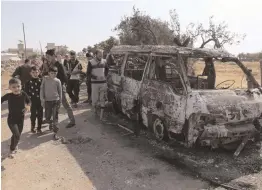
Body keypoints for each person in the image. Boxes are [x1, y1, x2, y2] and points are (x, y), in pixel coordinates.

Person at [43, 49, 76, 128]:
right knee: (51, 106)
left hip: (60, 87)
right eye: (46, 56)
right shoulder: (49, 64)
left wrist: (59, 85)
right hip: (51, 88)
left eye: (48, 56)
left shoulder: (59, 65)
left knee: (66, 104)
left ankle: (72, 121)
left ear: (53, 56)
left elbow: (64, 78)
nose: (47, 58)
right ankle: (51, 123)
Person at [1, 78, 31, 158]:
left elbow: (29, 101)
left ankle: (13, 143)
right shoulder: (9, 96)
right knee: (17, 135)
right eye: (13, 87)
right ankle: (11, 150)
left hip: (20, 119)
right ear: (10, 88)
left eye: (18, 86)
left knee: (16, 135)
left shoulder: (24, 94)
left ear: (21, 86)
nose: (16, 88)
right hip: (11, 120)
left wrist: (28, 107)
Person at [40, 66, 62, 140]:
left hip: (56, 100)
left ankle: (55, 133)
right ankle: (49, 122)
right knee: (47, 116)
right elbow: (42, 89)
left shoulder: (58, 81)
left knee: (55, 117)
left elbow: (60, 91)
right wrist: (42, 99)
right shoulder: (45, 79)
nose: (53, 75)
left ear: (57, 73)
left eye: (55, 73)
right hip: (47, 101)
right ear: (49, 73)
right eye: (52, 73)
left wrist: (60, 101)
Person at [87, 49, 108, 114]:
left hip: (103, 83)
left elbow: (107, 69)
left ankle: (101, 115)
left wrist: (105, 76)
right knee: (95, 98)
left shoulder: (104, 61)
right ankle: (95, 111)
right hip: (95, 83)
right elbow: (88, 73)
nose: (101, 55)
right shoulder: (91, 62)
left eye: (102, 54)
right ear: (96, 55)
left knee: (102, 98)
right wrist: (96, 77)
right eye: (99, 54)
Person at [25, 66, 43, 134]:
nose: (35, 74)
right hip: (32, 102)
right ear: (30, 73)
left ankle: (39, 128)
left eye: (36, 72)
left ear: (39, 72)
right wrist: (27, 103)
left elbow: (44, 91)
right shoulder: (28, 82)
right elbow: (26, 93)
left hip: (40, 101)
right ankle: (32, 127)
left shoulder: (42, 81)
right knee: (33, 115)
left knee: (40, 115)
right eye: (33, 72)